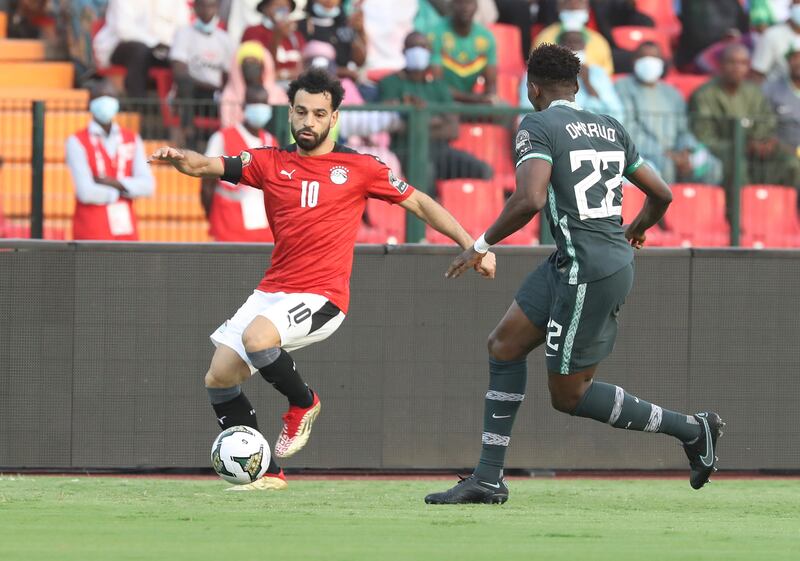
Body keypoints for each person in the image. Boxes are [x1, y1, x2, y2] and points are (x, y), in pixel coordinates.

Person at [149, 68, 497, 491]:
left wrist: (472, 245)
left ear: (334, 118)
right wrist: (185, 161)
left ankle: (304, 403)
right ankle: (269, 473)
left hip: (323, 296)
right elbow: (209, 164)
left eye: (318, 113)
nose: (307, 122)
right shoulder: (269, 162)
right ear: (290, 113)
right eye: (300, 112)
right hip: (272, 290)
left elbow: (421, 204)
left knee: (260, 339)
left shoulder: (360, 167)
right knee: (219, 376)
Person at [424, 44, 724, 505]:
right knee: (503, 345)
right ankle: (487, 477)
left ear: (532, 87)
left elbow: (530, 199)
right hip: (578, 259)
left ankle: (692, 428)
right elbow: (661, 193)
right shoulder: (610, 126)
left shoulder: (538, 124)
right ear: (578, 86)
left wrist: (479, 245)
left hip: (587, 270)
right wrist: (637, 229)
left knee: (569, 396)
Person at [690, 43, 800, 219]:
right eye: (731, 62)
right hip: (723, 152)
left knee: (792, 163)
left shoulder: (754, 92)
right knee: (737, 165)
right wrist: (742, 145)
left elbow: (766, 124)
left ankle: (787, 219)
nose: (737, 67)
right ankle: (738, 221)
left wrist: (765, 141)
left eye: (742, 63)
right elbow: (704, 137)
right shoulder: (704, 94)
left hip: (755, 150)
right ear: (721, 65)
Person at [379, 32, 493, 184]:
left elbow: (452, 129)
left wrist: (415, 121)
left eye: (423, 47)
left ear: (430, 52)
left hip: (439, 151)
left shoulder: (439, 86)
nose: (418, 51)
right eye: (413, 47)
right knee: (426, 173)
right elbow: (388, 125)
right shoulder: (390, 83)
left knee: (484, 170)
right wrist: (436, 121)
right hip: (405, 151)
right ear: (404, 51)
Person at [615, 42, 722, 185]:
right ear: (634, 61)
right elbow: (629, 129)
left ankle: (699, 206)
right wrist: (666, 154)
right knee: (666, 165)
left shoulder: (672, 93)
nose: (649, 62)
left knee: (712, 166)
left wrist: (687, 150)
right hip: (644, 152)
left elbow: (683, 130)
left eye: (655, 57)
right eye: (643, 57)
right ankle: (666, 207)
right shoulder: (622, 87)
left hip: (676, 151)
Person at [65, 81, 155, 240]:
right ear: (90, 103)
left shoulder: (132, 139)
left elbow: (148, 186)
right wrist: (125, 190)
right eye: (100, 97)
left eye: (111, 96)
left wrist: (113, 183)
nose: (105, 101)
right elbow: (85, 192)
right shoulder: (77, 141)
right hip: (91, 230)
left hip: (125, 230)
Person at [202, 87, 277, 242]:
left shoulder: (271, 141)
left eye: (264, 104)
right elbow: (206, 185)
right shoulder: (222, 137)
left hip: (264, 230)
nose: (260, 109)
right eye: (255, 104)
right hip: (228, 225)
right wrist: (212, 216)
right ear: (244, 107)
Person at [93, 0, 190, 98]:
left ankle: (182, 106)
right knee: (139, 51)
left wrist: (169, 47)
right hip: (122, 45)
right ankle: (139, 105)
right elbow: (124, 29)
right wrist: (154, 43)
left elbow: (183, 27)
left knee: (181, 57)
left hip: (165, 47)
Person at [522, 29, 624, 122]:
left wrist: (588, 84)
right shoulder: (537, 72)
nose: (574, 46)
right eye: (568, 42)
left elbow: (617, 115)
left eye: (578, 43)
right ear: (559, 47)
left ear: (585, 47)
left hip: (594, 134)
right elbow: (525, 113)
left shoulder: (598, 73)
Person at [169, 0, 234, 145]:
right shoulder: (183, 33)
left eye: (211, 5)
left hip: (215, 96)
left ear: (217, 8)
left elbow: (229, 75)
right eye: (202, 5)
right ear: (195, 8)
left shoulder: (224, 38)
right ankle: (188, 134)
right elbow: (179, 72)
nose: (206, 10)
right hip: (191, 93)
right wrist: (209, 85)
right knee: (186, 85)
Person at [428, 0, 500, 104]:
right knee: (451, 115)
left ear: (476, 6)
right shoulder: (436, 34)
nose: (465, 7)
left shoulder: (486, 38)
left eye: (469, 2)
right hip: (443, 102)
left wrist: (491, 99)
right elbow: (438, 86)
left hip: (472, 102)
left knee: (504, 112)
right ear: (451, 5)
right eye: (460, 2)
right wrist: (475, 99)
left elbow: (491, 85)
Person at [219, 41, 289, 129]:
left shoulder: (277, 93)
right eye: (247, 63)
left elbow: (284, 122)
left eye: (255, 62)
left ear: (263, 65)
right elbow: (226, 125)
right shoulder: (229, 95)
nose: (251, 66)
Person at [534, 0, 614, 75]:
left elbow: (606, 77)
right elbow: (538, 73)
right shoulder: (544, 38)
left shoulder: (599, 41)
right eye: (567, 2)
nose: (574, 6)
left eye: (579, 2)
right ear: (559, 7)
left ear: (587, 7)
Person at [300, 0, 367, 83]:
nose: (329, 1)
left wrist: (358, 32)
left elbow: (360, 61)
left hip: (345, 84)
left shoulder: (345, 26)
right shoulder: (300, 26)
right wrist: (340, 71)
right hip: (314, 84)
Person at [241, 0, 306, 85]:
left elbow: (302, 68)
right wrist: (277, 36)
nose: (282, 9)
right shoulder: (253, 32)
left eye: (286, 6)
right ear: (264, 8)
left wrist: (283, 74)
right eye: (277, 5)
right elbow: (258, 70)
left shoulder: (296, 36)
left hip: (294, 86)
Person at [763, 40, 800, 155]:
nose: (799, 62)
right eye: (795, 57)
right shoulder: (770, 90)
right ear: (788, 61)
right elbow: (764, 129)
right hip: (783, 157)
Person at [752, 0, 800, 82]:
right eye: (798, 3)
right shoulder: (772, 35)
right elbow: (758, 72)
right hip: (777, 90)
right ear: (791, 5)